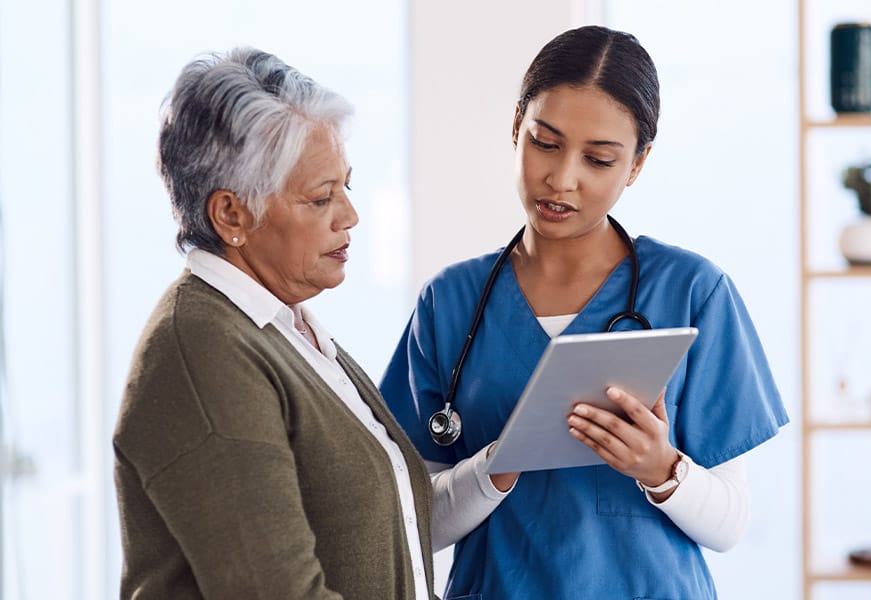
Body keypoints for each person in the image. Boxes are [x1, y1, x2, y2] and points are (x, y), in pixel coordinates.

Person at [380, 25, 788, 599]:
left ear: (638, 163)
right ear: (515, 125)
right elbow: (413, 523)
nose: (561, 178)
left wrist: (660, 468)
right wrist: (495, 465)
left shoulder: (694, 292)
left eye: (598, 159)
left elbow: (730, 523)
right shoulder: (449, 303)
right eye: (544, 143)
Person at [113, 47, 437, 600]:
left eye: (346, 188)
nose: (350, 216)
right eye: (320, 198)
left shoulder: (285, 330)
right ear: (231, 215)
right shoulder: (202, 352)